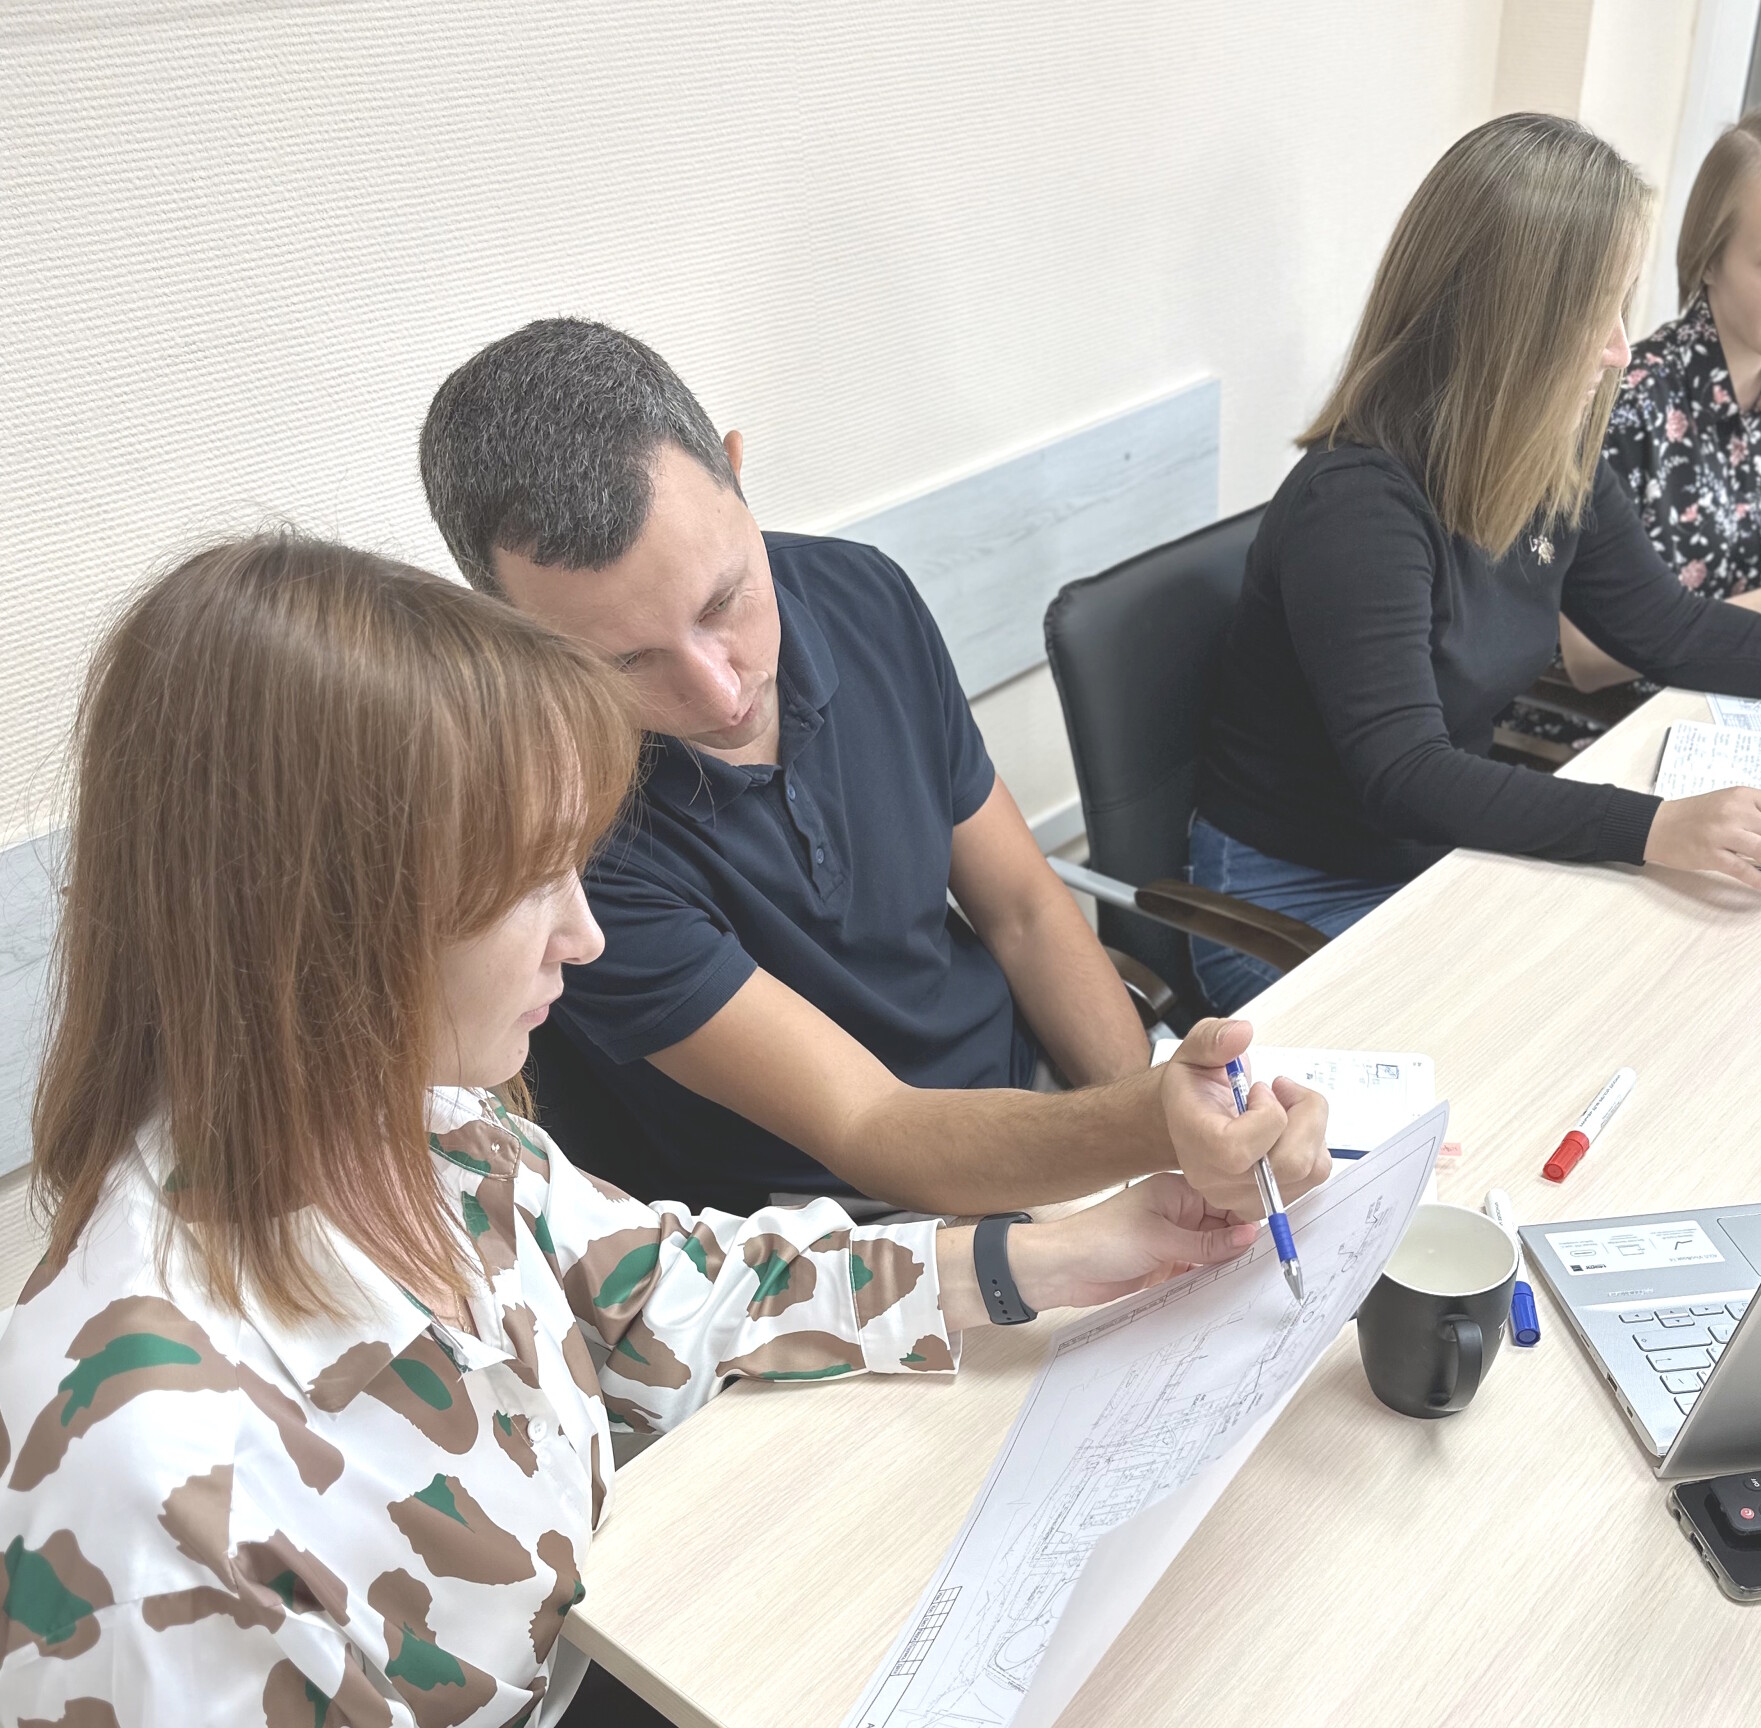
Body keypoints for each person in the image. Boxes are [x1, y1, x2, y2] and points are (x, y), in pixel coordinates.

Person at [0, 535, 1312, 1724]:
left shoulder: (436, 1126)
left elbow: (674, 1292)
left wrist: (1073, 1252)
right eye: (529, 885)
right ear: (328, 927)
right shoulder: (151, 1473)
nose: (584, 936)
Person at [419, 321, 1328, 1217]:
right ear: (515, 631)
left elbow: (1023, 909)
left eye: (724, 601)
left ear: (736, 471)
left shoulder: (861, 594)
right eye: (627, 662)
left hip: (1046, 1107)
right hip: (850, 1219)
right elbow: (871, 1125)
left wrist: (1144, 1129)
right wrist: (1147, 1130)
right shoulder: (562, 833)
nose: (720, 691)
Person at [1189, 112, 1761, 1015]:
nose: (1619, 348)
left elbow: (1670, 631)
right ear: (1505, 321)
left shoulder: (1546, 453)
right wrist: (1660, 826)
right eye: (1593, 314)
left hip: (1439, 858)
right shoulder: (1357, 503)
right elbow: (1405, 773)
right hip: (1291, 898)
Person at [1516, 100, 1761, 735]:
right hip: (1614, 721)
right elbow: (1590, 660)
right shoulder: (1622, 399)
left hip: (1738, 685)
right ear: (1709, 257)